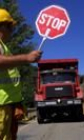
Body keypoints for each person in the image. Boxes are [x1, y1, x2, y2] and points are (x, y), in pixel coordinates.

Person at [0, 8, 42, 140]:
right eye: (10, 26)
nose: (12, 30)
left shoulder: (3, 47)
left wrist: (17, 102)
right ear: (2, 26)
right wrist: (26, 58)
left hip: (7, 104)